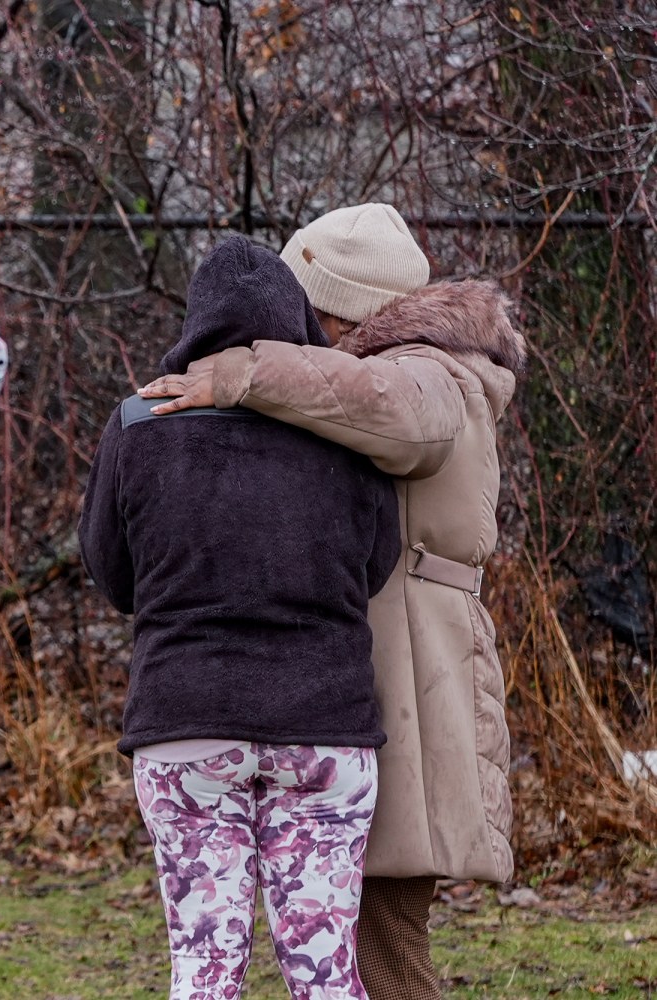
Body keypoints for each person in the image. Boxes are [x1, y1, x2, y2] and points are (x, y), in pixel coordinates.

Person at [139, 203, 525, 1000]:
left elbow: (397, 413)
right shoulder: (399, 371)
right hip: (380, 676)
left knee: (379, 944)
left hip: (409, 675)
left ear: (339, 309)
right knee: (357, 943)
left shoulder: (427, 371)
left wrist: (248, 370)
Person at [80, 235, 400, 998]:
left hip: (187, 723)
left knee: (205, 966)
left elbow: (111, 571)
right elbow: (376, 565)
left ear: (195, 323)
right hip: (325, 725)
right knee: (325, 970)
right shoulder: (340, 429)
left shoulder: (137, 422)